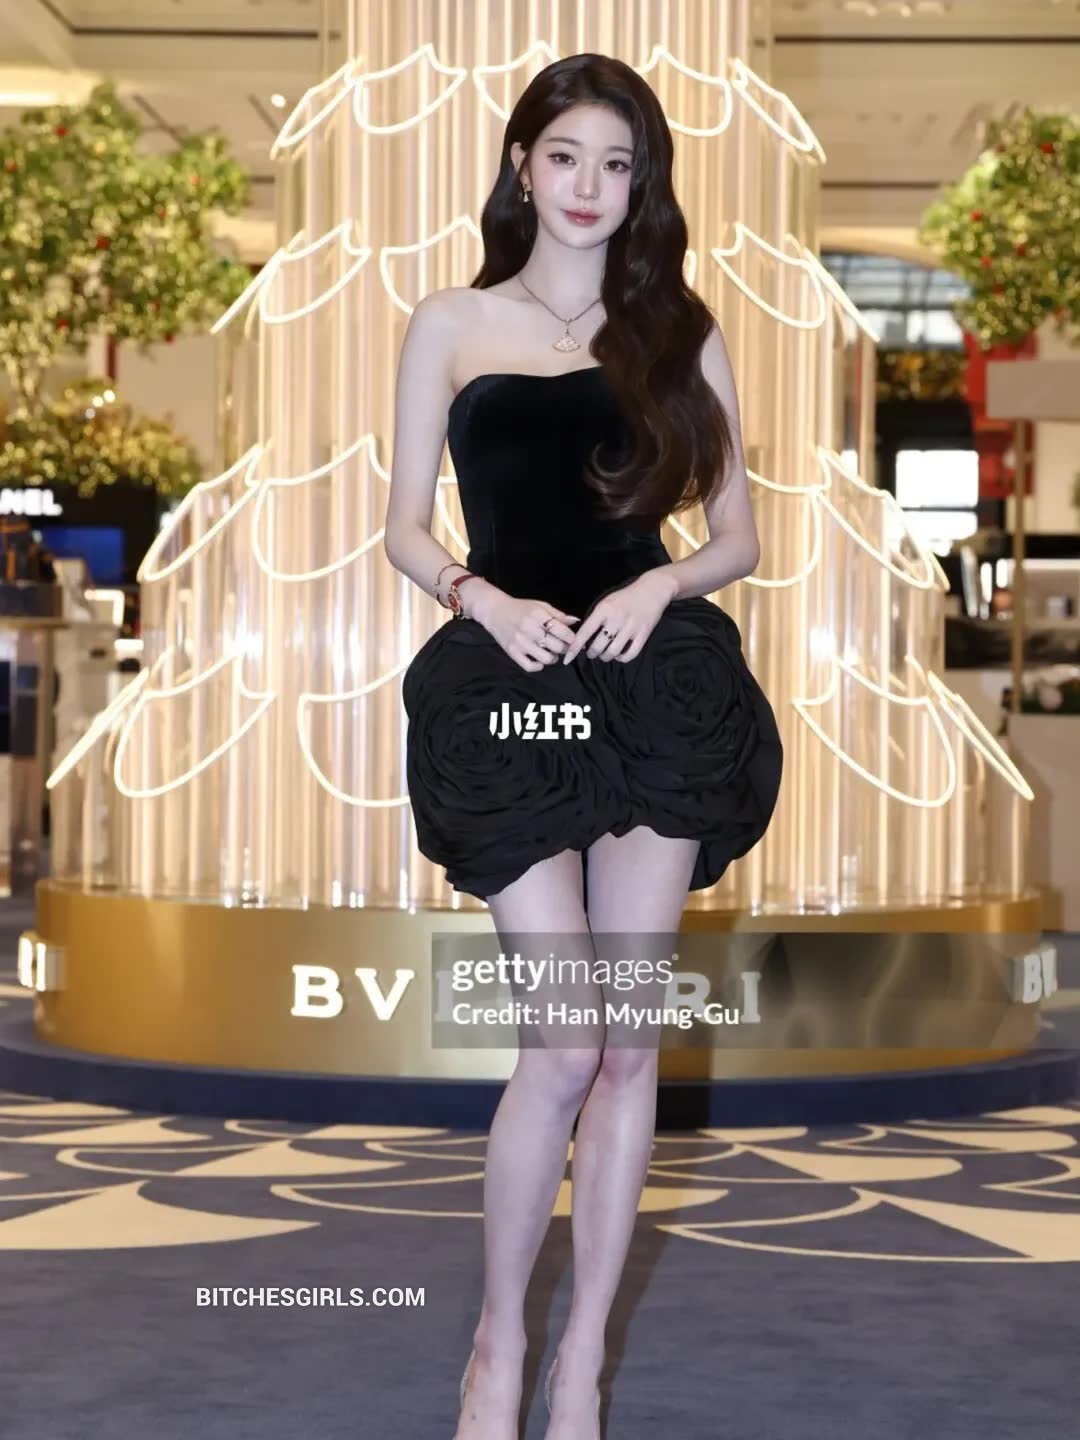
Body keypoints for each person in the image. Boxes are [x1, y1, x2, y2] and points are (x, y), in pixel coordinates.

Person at [384, 52, 783, 1440]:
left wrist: (661, 584)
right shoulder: (451, 321)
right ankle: (498, 1344)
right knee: (561, 1040)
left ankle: (578, 1372)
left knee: (626, 1046)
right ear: (523, 164)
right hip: (506, 688)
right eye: (565, 157)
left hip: (651, 687)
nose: (589, 187)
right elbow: (405, 527)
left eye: (617, 165)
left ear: (641, 185)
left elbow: (738, 536)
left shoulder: (680, 331)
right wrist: (479, 598)